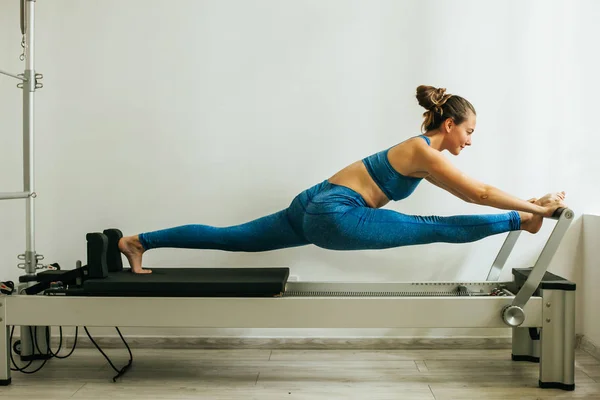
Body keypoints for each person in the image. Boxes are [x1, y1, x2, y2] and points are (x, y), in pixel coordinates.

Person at [118, 85, 567, 274]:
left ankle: (140, 240)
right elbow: (480, 193)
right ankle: (520, 223)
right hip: (334, 213)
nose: (470, 141)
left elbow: (468, 192)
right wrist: (533, 212)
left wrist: (532, 204)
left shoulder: (422, 155)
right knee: (433, 227)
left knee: (231, 237)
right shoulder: (422, 151)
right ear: (449, 125)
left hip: (314, 202)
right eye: (469, 131)